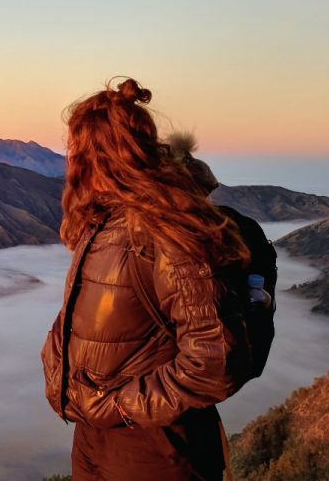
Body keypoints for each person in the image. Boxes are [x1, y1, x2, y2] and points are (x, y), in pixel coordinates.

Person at [41, 78, 255, 480]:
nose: (71, 160)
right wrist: (59, 368)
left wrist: (121, 407)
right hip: (95, 436)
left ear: (103, 154)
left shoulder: (168, 234)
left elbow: (214, 361)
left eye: (78, 149)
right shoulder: (105, 218)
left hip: (155, 451)